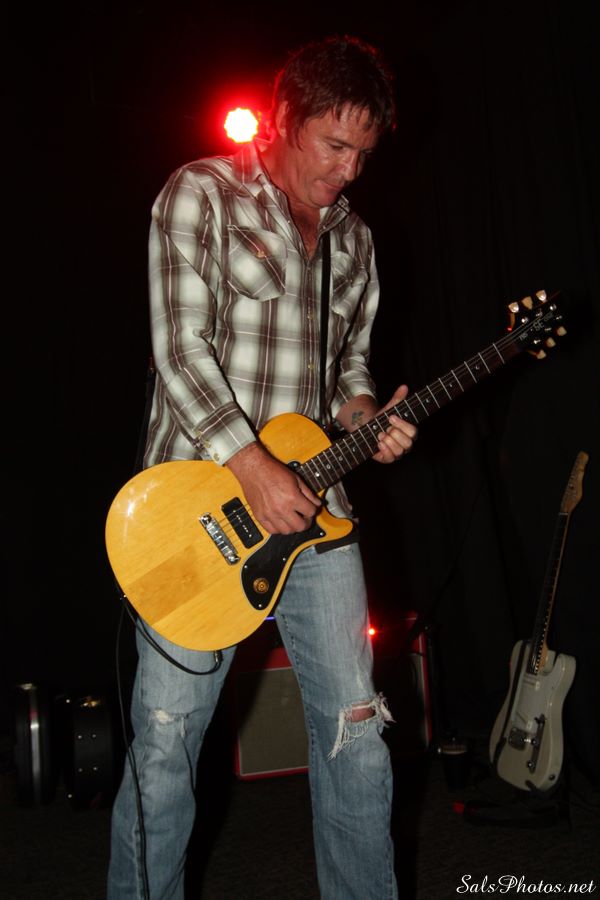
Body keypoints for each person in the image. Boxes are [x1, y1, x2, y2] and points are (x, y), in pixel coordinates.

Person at [107, 34, 417, 900]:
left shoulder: (356, 240)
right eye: (334, 145)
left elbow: (350, 368)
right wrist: (248, 464)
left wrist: (365, 417)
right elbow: (179, 349)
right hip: (198, 512)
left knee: (357, 733)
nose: (349, 171)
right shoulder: (201, 192)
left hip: (318, 513)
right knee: (166, 742)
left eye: (364, 154)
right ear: (283, 118)